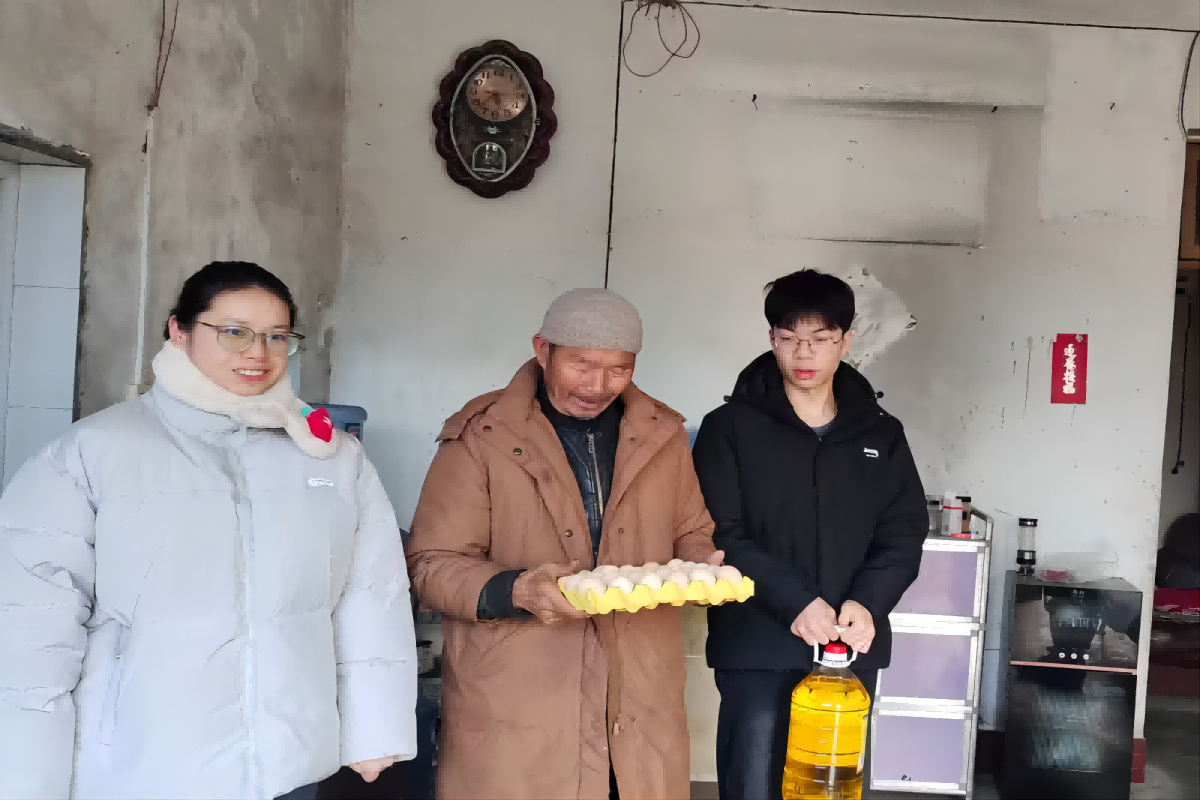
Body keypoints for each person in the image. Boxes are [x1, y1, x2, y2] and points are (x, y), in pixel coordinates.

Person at [0, 262, 417, 800]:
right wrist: (27, 779)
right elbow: (30, 628)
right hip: (140, 766)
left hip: (289, 765)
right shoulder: (94, 452)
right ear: (179, 330)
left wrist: (375, 727)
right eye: (234, 332)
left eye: (276, 336)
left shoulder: (334, 459)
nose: (258, 353)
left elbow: (371, 595)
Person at [407, 288, 721, 800]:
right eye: (581, 365)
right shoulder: (482, 435)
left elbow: (691, 529)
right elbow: (429, 566)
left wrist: (701, 562)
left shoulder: (663, 435)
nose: (598, 386)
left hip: (638, 693)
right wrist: (517, 589)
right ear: (542, 350)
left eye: (619, 370)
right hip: (521, 694)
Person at [691, 269, 928, 800]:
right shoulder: (729, 428)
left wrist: (868, 603)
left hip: (850, 643)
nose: (805, 353)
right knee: (754, 782)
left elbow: (904, 529)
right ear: (771, 339)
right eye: (789, 338)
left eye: (820, 339)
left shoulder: (880, 432)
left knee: (830, 786)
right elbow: (720, 531)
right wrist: (795, 601)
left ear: (845, 341)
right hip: (756, 640)